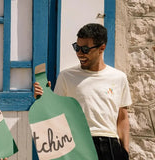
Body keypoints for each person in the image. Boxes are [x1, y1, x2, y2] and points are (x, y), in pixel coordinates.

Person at [34, 23, 132, 160]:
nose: (79, 53)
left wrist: (125, 150)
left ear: (101, 48)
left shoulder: (119, 78)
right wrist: (43, 98)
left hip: (110, 145)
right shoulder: (66, 76)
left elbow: (122, 118)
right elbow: (55, 115)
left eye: (85, 49)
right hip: (78, 143)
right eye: (77, 47)